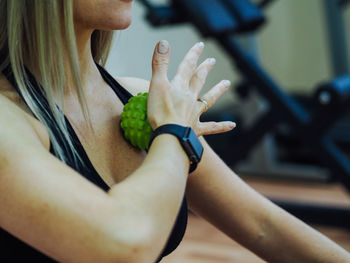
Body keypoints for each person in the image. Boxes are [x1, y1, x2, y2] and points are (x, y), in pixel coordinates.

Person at [0, 0, 349, 262]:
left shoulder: (138, 99)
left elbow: (262, 224)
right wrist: (175, 133)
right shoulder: (8, 119)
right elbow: (125, 244)